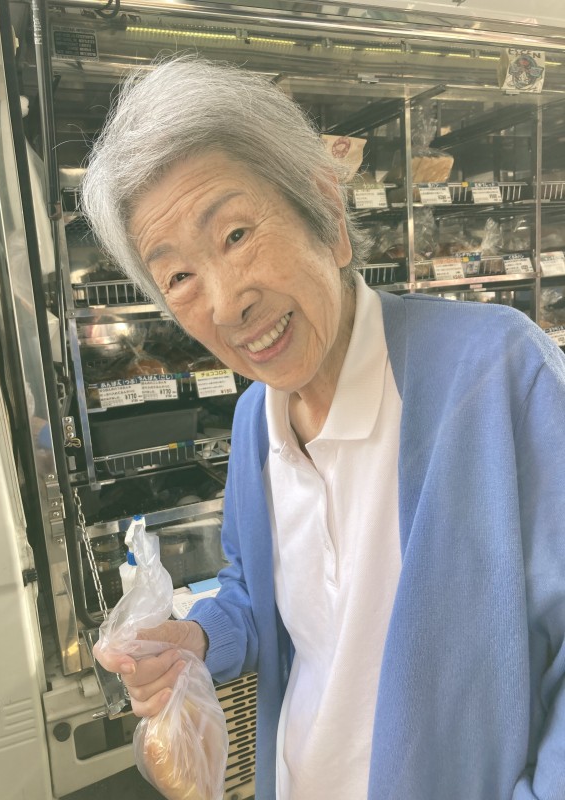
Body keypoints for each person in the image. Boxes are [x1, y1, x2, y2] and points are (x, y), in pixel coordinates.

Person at [82, 56, 565, 800]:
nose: (225, 304)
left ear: (329, 218)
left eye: (236, 233)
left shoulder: (498, 376)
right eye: (177, 276)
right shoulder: (256, 420)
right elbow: (258, 595)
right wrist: (201, 638)